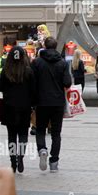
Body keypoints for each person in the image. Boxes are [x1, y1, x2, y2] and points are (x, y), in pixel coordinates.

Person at [31, 37, 72, 172]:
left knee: (40, 129)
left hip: (41, 102)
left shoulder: (37, 62)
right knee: (56, 133)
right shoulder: (63, 63)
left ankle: (42, 149)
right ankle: (54, 162)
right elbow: (67, 83)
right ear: (56, 47)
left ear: (44, 46)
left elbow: (32, 82)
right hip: (57, 103)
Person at [0, 46, 36, 173]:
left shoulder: (5, 71)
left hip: (9, 107)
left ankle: (13, 161)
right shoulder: (28, 71)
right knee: (23, 135)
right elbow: (33, 90)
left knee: (11, 136)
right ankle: (21, 157)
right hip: (24, 107)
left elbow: (1, 88)